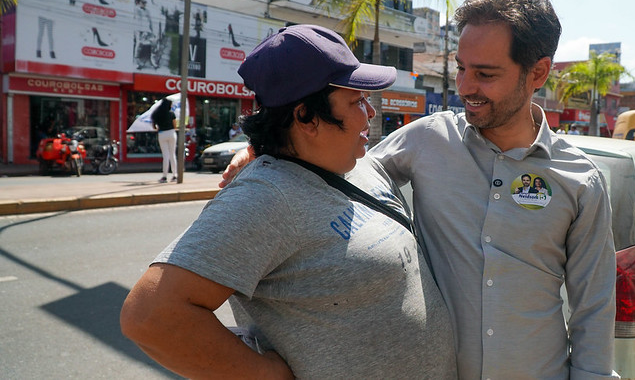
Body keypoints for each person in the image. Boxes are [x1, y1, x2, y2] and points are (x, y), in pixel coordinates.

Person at [223, 0, 616, 378]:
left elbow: (593, 307)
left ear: (538, 72)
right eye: (462, 67)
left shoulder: (580, 180)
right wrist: (264, 151)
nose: (464, 87)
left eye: (485, 74)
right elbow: (333, 166)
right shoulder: (426, 138)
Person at [120, 24, 456, 379]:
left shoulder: (358, 162)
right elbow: (150, 317)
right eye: (356, 101)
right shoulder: (266, 196)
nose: (370, 114)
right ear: (306, 117)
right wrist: (267, 375)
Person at [151, 97, 178, 183]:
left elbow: (154, 126)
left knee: (165, 156)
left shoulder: (157, 114)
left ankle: (164, 176)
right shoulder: (171, 114)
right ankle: (174, 175)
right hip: (171, 133)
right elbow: (175, 126)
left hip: (162, 134)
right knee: (172, 155)